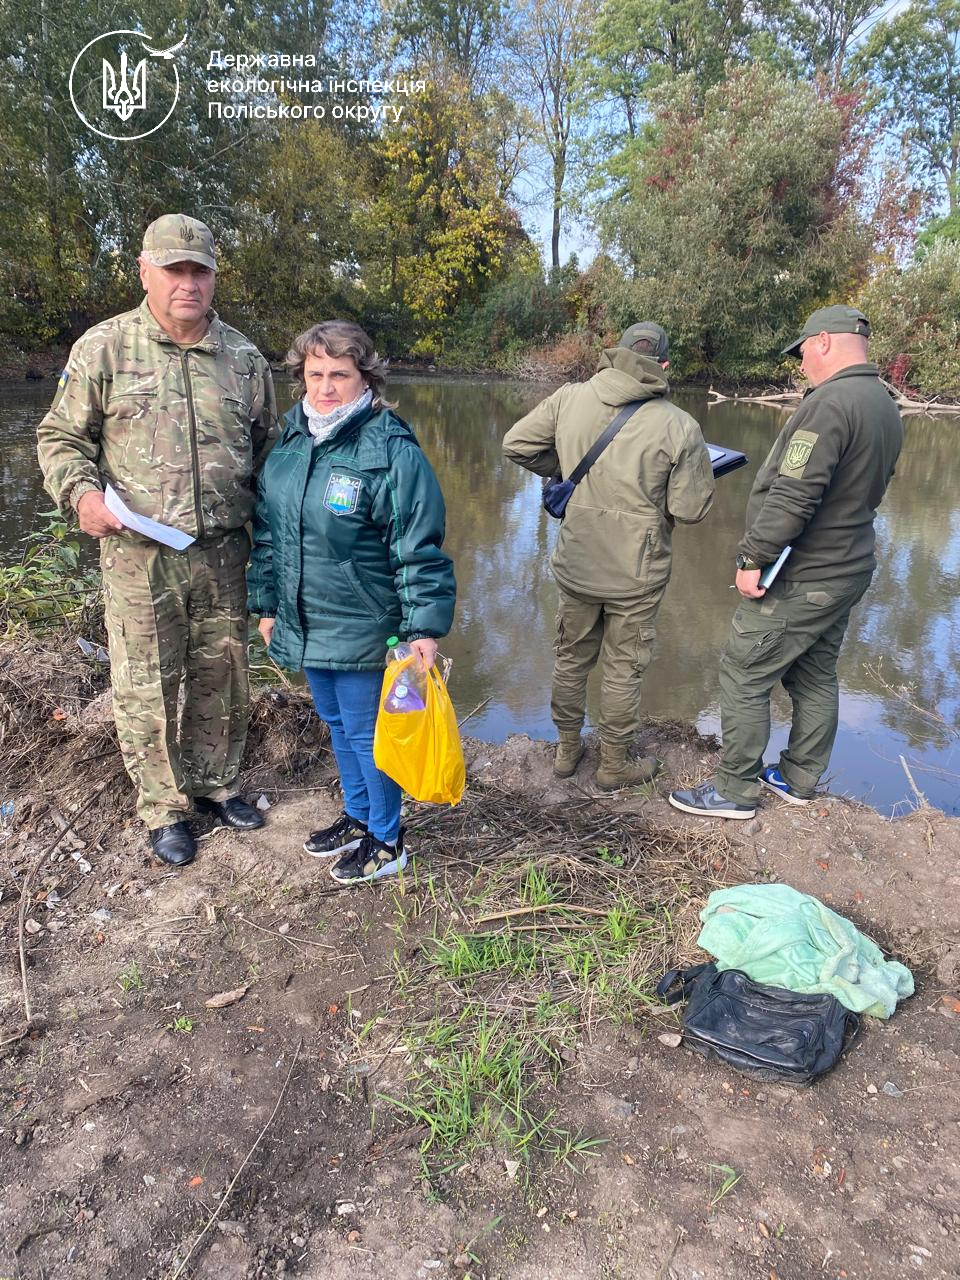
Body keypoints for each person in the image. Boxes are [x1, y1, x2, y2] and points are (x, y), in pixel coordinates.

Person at [37, 214, 278, 868]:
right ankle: (164, 808)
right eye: (174, 269)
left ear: (213, 276)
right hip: (140, 557)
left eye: (199, 270)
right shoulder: (105, 349)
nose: (187, 283)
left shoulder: (245, 359)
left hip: (225, 552)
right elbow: (59, 438)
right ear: (145, 271)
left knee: (223, 674)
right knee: (145, 682)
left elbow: (270, 456)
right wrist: (82, 495)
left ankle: (216, 784)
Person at [669, 305, 903, 820]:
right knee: (815, 672)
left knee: (745, 669)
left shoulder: (832, 403)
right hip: (849, 565)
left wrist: (753, 556)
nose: (800, 365)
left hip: (805, 572)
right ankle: (798, 777)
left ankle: (734, 790)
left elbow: (795, 495)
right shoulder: (884, 403)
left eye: (801, 353)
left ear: (823, 342)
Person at [248, 321, 456, 885]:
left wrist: (424, 628)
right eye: (314, 374)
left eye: (339, 374)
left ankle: (388, 840)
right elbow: (268, 533)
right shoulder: (292, 441)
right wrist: (269, 607)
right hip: (306, 618)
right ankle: (361, 815)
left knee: (372, 735)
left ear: (366, 377)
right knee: (337, 724)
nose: (325, 386)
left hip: (371, 622)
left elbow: (418, 545)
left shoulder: (389, 446)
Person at [502, 322, 715, 788]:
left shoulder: (569, 397)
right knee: (623, 669)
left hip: (577, 561)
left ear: (616, 354)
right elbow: (690, 509)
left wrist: (564, 469)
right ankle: (614, 765)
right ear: (662, 366)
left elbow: (516, 444)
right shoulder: (680, 425)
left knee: (571, 658)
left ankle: (566, 751)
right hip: (636, 574)